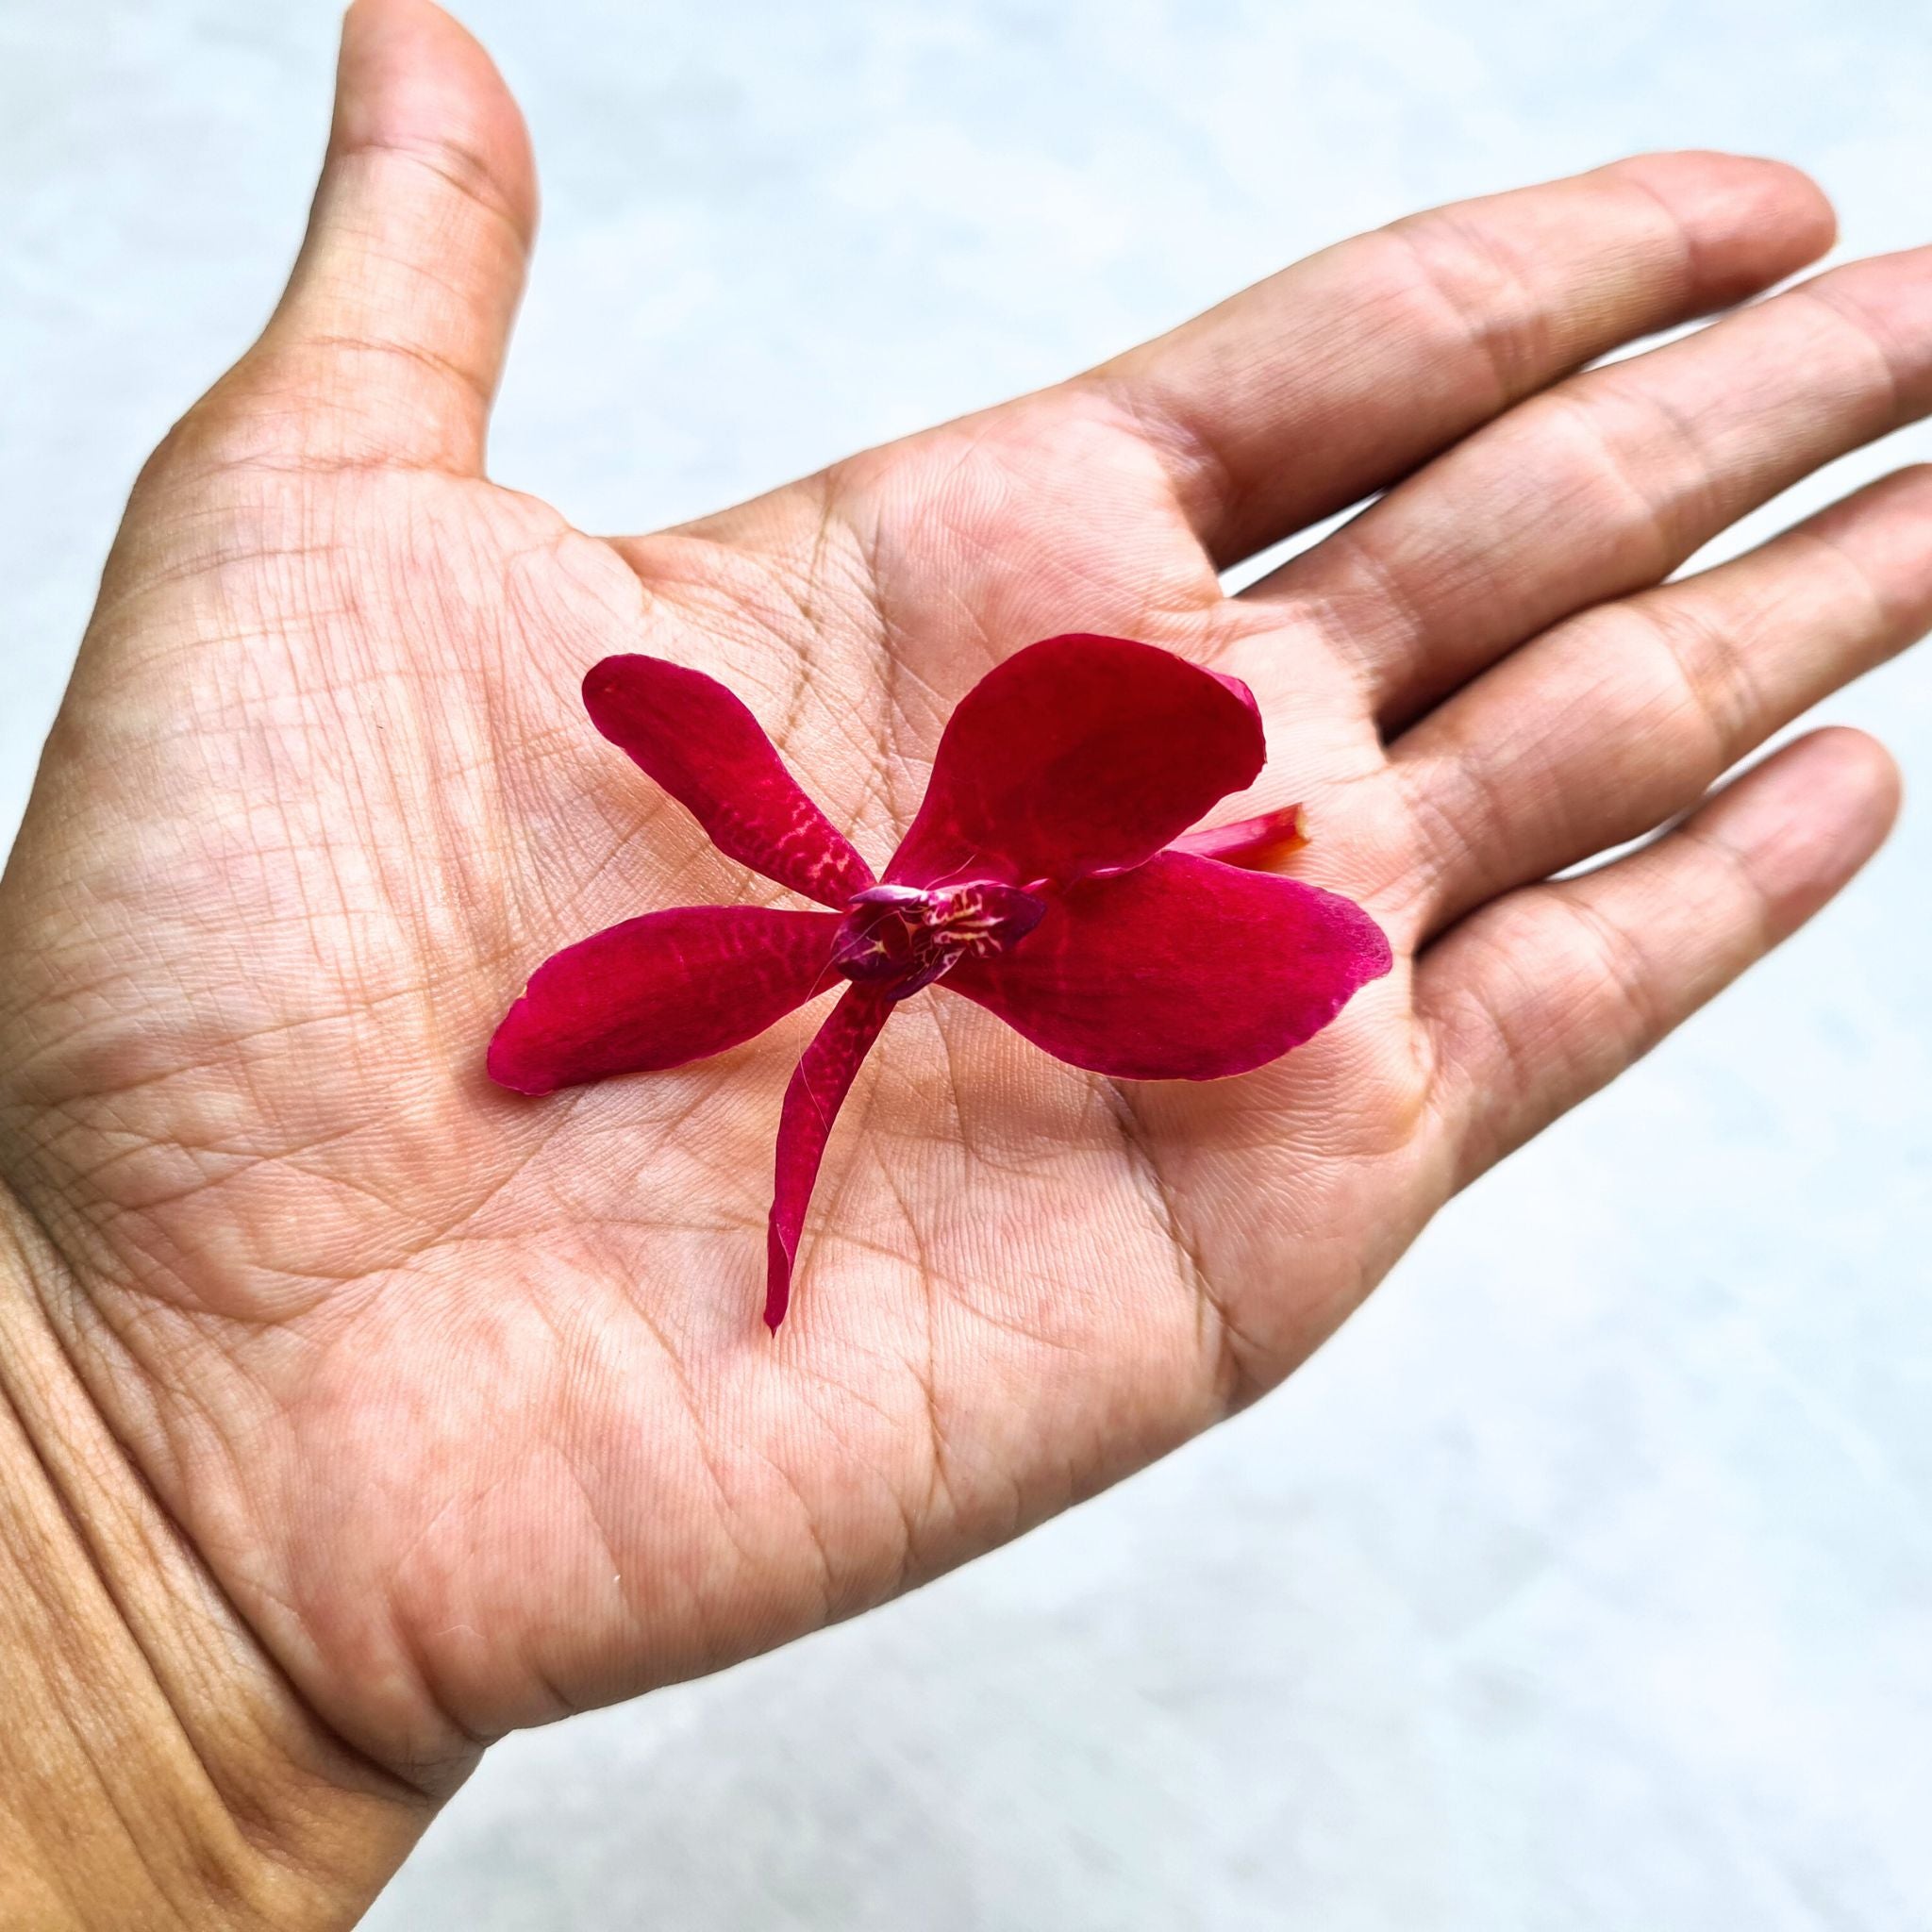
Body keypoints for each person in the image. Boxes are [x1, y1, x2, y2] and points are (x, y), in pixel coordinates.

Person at [2, 0, 1925, 1922]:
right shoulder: (833, 946)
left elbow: (854, 789)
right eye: (928, 922)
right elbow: (654, 757)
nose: (928, 919)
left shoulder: (956, 931)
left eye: (950, 924)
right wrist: (125, 1517)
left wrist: (144, 1597)